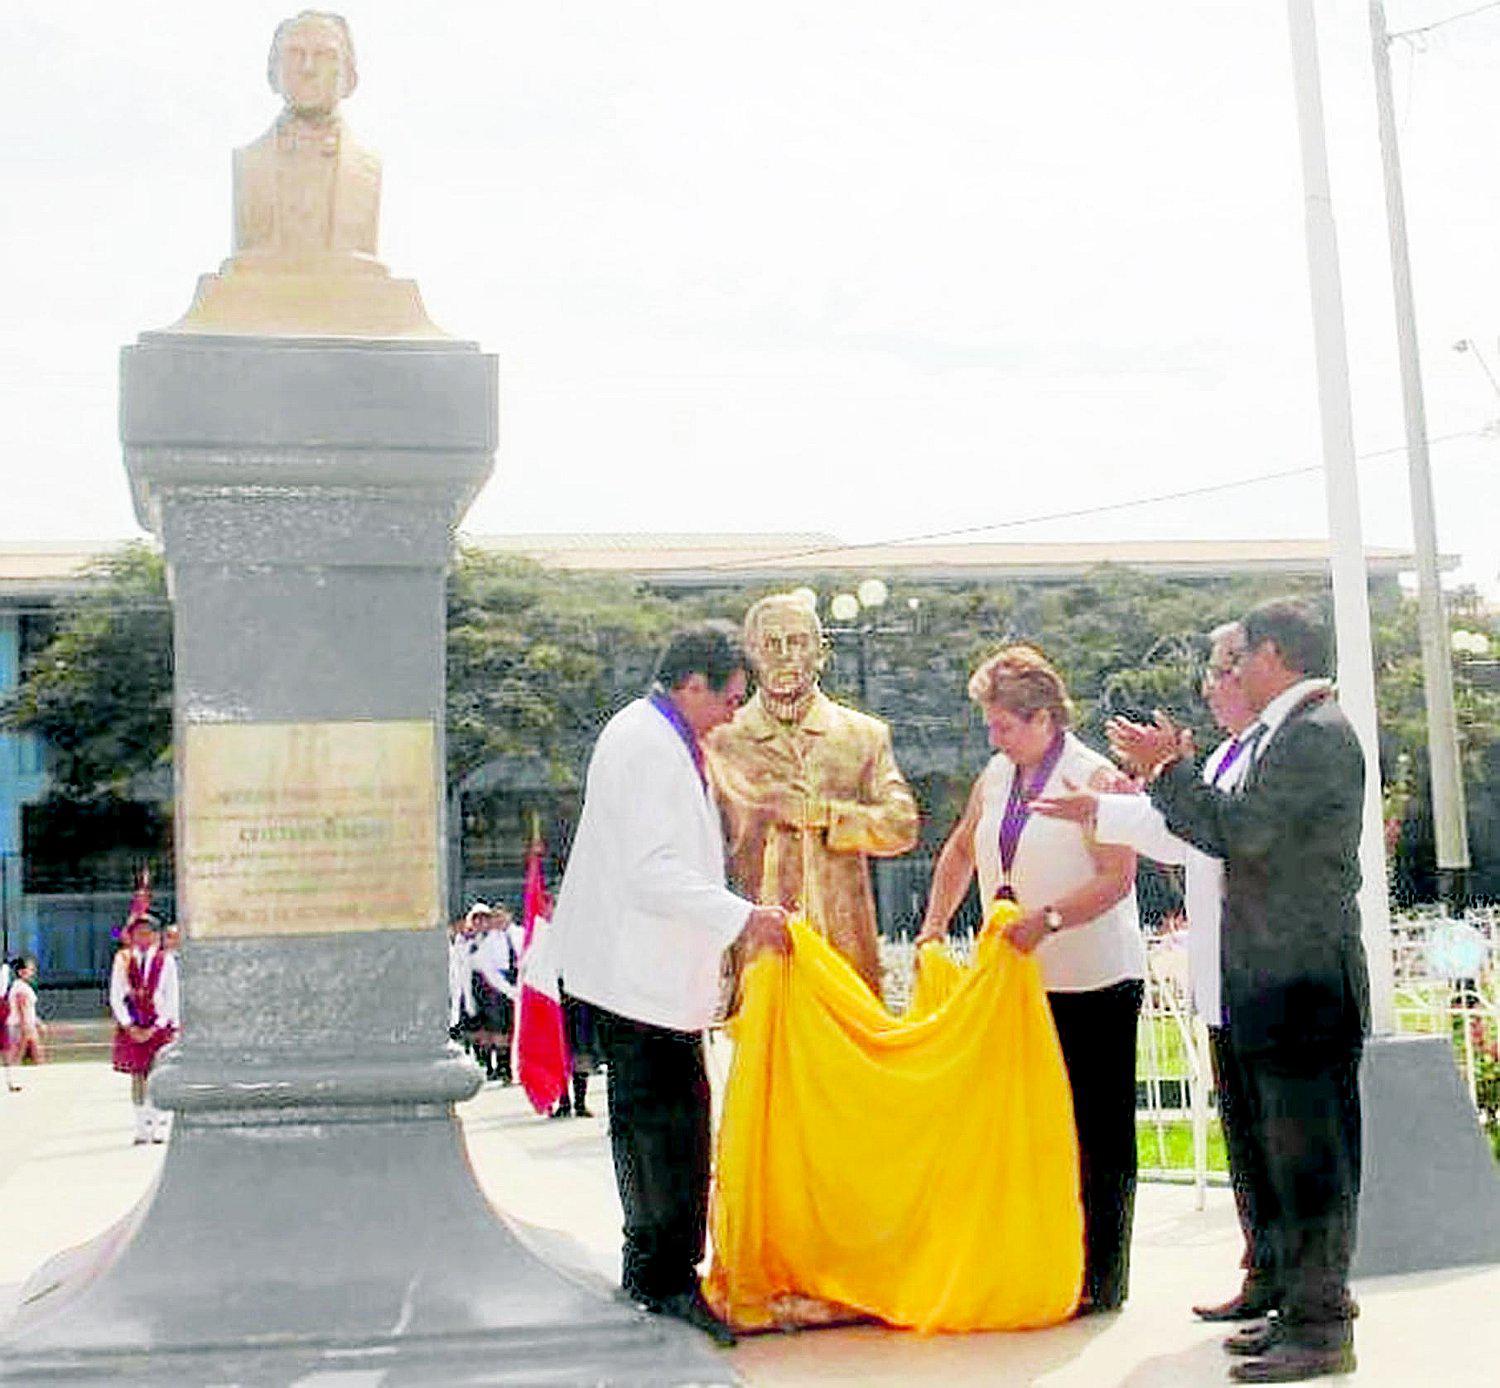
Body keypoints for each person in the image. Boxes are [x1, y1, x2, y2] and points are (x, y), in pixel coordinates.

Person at [1111, 599, 1368, 1384]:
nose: (1229, 674)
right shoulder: (1284, 736)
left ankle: (1322, 1326)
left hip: (1302, 982)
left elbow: (1239, 832)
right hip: (1269, 978)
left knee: (1311, 1160)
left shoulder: (1316, 737)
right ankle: (1293, 1303)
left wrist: (1166, 771)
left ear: (1276, 655)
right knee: (1282, 1159)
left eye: (1240, 657)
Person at [1033, 621, 1280, 1323]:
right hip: (1227, 976)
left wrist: (1162, 774)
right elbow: (1179, 836)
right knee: (1248, 1142)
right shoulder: (1235, 753)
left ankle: (1297, 1294)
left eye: (1221, 671)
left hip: (1266, 969)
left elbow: (1219, 831)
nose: (1211, 687)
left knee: (1279, 1143)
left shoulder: (1276, 751)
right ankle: (1265, 1271)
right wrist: (1105, 809)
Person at [554, 621, 791, 1348]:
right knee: (673, 1132)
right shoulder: (647, 745)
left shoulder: (655, 735)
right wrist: (743, 917)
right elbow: (651, 871)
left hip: (646, 976)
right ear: (692, 685)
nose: (732, 715)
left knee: (653, 1127)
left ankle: (650, 1270)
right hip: (639, 977)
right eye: (729, 699)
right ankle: (669, 1280)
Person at [915, 644, 1143, 1314]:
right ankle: (1045, 1255)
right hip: (1019, 981)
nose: (994, 736)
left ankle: (1103, 1274)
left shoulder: (1091, 776)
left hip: (1092, 976)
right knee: (1032, 1126)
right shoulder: (996, 774)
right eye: (990, 725)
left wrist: (1048, 918)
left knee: (1097, 1129)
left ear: (1044, 718)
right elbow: (961, 848)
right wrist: (934, 922)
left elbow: (1116, 877)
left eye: (1004, 725)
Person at [706, 592, 919, 994]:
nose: (785, 656)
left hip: (844, 956)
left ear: (821, 653)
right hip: (755, 958)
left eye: (799, 642)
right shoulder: (721, 740)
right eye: (771, 644)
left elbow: (901, 826)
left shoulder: (862, 736)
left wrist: (826, 815)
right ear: (751, 656)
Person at [232, 11, 380, 262]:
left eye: (324, 55)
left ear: (350, 78)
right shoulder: (249, 164)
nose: (308, 68)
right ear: (272, 75)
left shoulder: (367, 169)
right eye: (295, 54)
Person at [109, 913, 181, 1145]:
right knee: (138, 1076)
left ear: (156, 935)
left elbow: (172, 996)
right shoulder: (123, 960)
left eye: (148, 931)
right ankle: (141, 1126)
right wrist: (128, 1024)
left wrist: (161, 1025)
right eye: (138, 932)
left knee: (159, 1075)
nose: (143, 936)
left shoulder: (165, 960)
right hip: (133, 1024)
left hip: (159, 1026)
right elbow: (116, 994)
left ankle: (160, 1123)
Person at [467, 904, 518, 1084]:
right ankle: (489, 1066)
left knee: (502, 1030)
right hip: (483, 985)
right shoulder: (474, 941)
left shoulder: (511, 935)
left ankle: (505, 1068)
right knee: (485, 1030)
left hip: (504, 984)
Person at [3, 957, 44, 1089]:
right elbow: (23, 1008)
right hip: (20, 1025)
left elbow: (29, 1009)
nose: (32, 972)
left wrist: (36, 1021)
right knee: (18, 1053)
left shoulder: (23, 986)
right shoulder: (20, 987)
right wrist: (26, 1027)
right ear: (21, 971)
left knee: (32, 1052)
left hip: (25, 1024)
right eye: (29, 969)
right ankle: (14, 1079)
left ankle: (20, 1079)